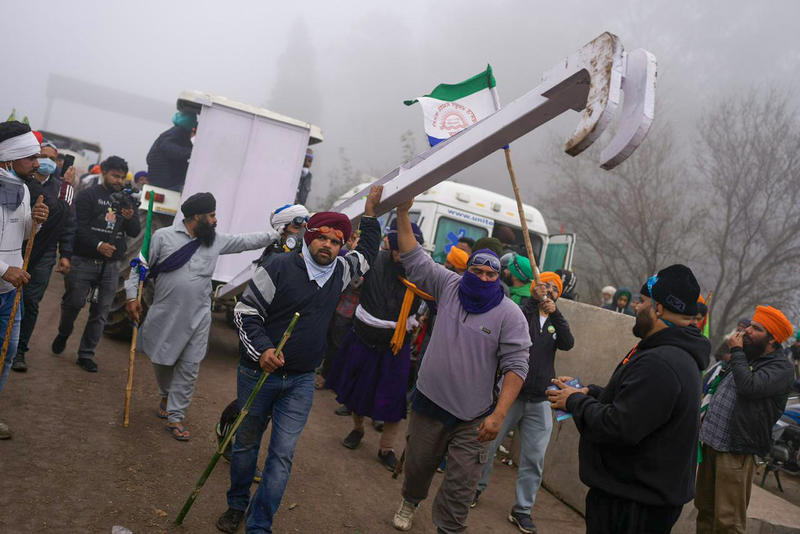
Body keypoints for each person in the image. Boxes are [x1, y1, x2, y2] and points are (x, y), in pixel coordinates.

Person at [216, 186, 383, 534]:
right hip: (258, 374)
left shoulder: (341, 271)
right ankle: (236, 505)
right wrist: (263, 350)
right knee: (246, 444)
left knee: (282, 455)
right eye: (322, 238)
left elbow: (367, 252)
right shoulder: (278, 266)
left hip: (301, 381)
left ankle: (259, 524)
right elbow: (246, 312)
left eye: (336, 242)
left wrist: (370, 214)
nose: (328, 246)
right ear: (309, 237)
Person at [391, 198, 531, 534]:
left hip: (474, 416)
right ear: (466, 270)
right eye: (477, 271)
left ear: (498, 277)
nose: (483, 278)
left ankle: (449, 528)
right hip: (429, 400)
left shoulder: (510, 314)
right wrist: (402, 212)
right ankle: (410, 500)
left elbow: (517, 366)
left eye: (490, 274)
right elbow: (413, 256)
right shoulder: (448, 286)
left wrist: (499, 414)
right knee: (418, 466)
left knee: (462, 483)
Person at [547, 265, 710, 534]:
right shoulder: (669, 353)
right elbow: (640, 407)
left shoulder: (662, 362)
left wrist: (574, 402)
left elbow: (618, 426)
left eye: (642, 301)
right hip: (636, 497)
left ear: (659, 308)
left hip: (634, 506)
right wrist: (591, 393)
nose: (636, 306)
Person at [125, 193, 278, 440]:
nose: (216, 220)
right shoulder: (163, 237)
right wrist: (132, 297)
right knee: (162, 360)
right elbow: (139, 268)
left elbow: (244, 241)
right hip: (165, 315)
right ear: (196, 216)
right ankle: (166, 394)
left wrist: (277, 235)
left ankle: (176, 416)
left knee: (190, 366)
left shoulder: (214, 240)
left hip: (199, 318)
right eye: (212, 215)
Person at [326, 220, 431, 471]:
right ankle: (357, 429)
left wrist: (420, 318)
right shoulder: (373, 260)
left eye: (406, 250)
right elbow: (349, 272)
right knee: (357, 391)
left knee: (393, 399)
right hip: (363, 338)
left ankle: (386, 448)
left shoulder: (422, 271)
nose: (401, 255)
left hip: (396, 345)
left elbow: (435, 298)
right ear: (390, 246)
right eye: (397, 249)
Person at [475, 271, 573, 533]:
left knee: (534, 458)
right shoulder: (522, 312)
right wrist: (533, 302)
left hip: (539, 399)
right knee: (488, 444)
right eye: (545, 285)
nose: (549, 290)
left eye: (555, 288)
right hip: (511, 395)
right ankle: (474, 489)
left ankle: (522, 510)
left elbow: (568, 343)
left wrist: (556, 314)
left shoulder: (555, 321)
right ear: (535, 288)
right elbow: (509, 327)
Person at [695, 306, 795, 534]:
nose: (748, 330)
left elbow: (749, 387)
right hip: (711, 444)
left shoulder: (781, 368)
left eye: (756, 329)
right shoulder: (749, 356)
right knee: (705, 509)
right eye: (750, 325)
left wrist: (737, 352)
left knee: (727, 520)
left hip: (735, 450)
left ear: (772, 339)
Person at [51, 156, 140, 372]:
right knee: (74, 303)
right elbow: (78, 227)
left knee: (101, 312)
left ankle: (86, 354)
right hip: (83, 260)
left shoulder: (127, 200)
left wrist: (130, 217)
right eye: (115, 176)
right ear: (104, 173)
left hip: (111, 266)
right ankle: (63, 333)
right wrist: (98, 245)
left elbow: (135, 231)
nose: (119, 181)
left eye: (122, 177)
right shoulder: (88, 195)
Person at [0, 121, 49, 439]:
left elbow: (21, 235)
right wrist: (4, 269)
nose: (37, 164)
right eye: (31, 157)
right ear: (9, 156)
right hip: (6, 279)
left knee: (7, 351)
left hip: (9, 293)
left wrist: (36, 221)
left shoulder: (23, 189)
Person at [12, 141, 76, 372]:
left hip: (45, 253)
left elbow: (68, 224)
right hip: (15, 246)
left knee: (30, 301)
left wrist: (65, 254)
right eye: (41, 155)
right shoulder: (20, 181)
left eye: (52, 158)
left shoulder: (61, 188)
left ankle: (20, 350)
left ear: (57, 162)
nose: (46, 161)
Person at [146, 111, 197, 191]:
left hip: (164, 179)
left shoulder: (179, 134)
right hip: (166, 180)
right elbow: (171, 149)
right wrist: (192, 152)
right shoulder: (177, 133)